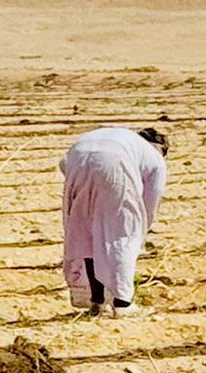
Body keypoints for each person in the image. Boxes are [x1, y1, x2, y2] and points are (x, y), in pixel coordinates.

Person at [61, 126, 168, 317]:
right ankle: (122, 303)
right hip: (115, 165)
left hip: (77, 159)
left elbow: (64, 163)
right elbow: (152, 198)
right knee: (123, 237)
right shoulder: (156, 159)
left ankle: (97, 301)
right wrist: (141, 228)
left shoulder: (126, 140)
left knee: (88, 235)